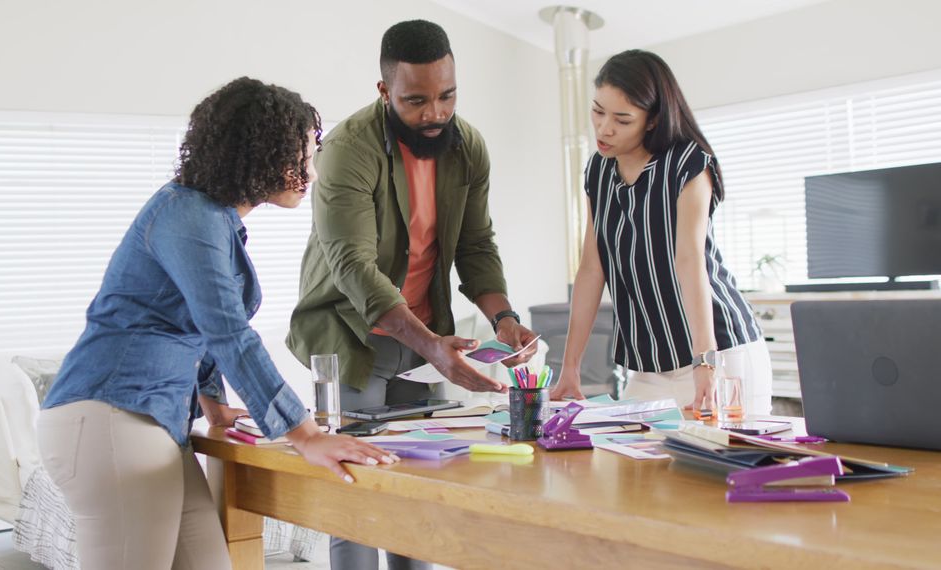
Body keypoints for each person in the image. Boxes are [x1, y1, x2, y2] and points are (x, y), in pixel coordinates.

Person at [37, 77, 395, 570]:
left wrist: (214, 405)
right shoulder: (189, 217)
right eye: (303, 154)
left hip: (147, 424)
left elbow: (194, 328)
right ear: (262, 152)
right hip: (112, 420)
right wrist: (307, 436)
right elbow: (228, 333)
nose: (311, 171)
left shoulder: (210, 217)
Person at [287, 20, 536, 570]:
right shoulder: (349, 149)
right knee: (357, 495)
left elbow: (476, 243)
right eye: (416, 100)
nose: (435, 114)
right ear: (385, 92)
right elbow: (352, 265)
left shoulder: (466, 146)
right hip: (352, 337)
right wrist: (432, 348)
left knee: (419, 492)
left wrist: (504, 319)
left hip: (425, 336)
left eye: (447, 96)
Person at [549, 49, 772, 417]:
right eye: (598, 110)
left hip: (721, 354)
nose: (604, 128)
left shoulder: (688, 163)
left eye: (622, 119)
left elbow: (689, 260)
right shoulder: (599, 171)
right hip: (649, 365)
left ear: (651, 121)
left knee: (725, 469)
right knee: (636, 471)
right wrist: (570, 367)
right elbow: (592, 267)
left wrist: (706, 364)